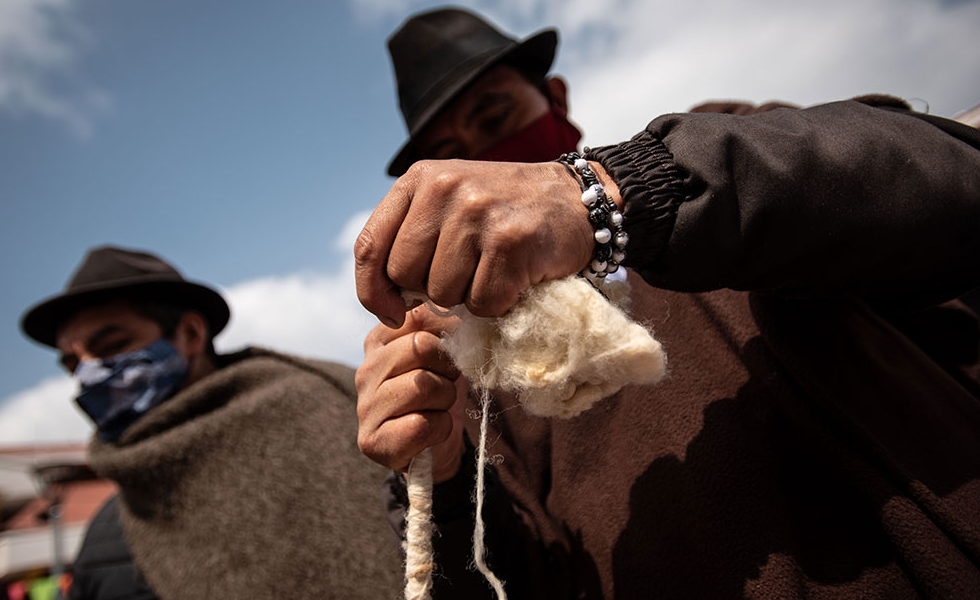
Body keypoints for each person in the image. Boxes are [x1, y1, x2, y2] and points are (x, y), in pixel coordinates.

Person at [354, 7, 980, 600]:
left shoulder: (712, 166)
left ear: (558, 99)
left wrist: (611, 196)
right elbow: (514, 579)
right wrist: (440, 473)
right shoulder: (474, 370)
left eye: (495, 117)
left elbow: (945, 179)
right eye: (459, 150)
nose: (489, 157)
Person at [20, 245, 402, 600]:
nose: (88, 373)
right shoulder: (107, 535)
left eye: (111, 346)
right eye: (74, 363)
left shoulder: (325, 409)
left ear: (190, 334)